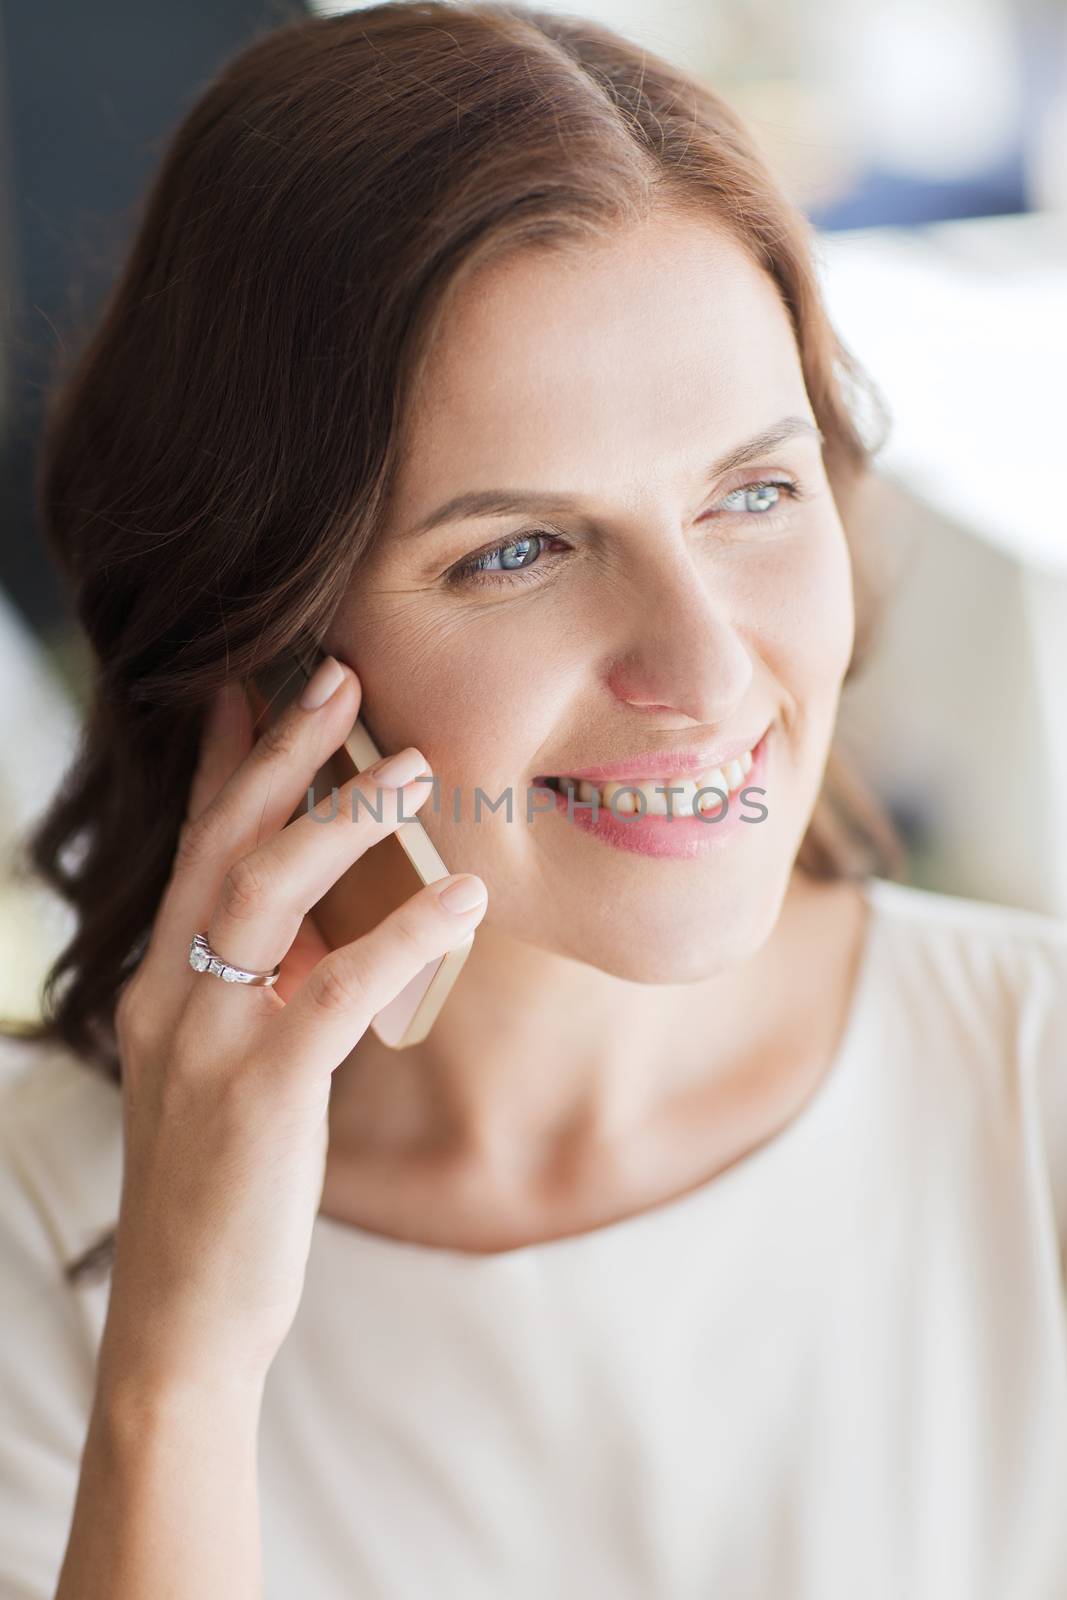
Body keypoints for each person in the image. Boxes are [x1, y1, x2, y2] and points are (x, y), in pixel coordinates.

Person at [1, 4, 1065, 1597]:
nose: (706, 669)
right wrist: (179, 1375)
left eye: (754, 492)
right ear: (269, 638)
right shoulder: (37, 1229)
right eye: (517, 551)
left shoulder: (1033, 1101)